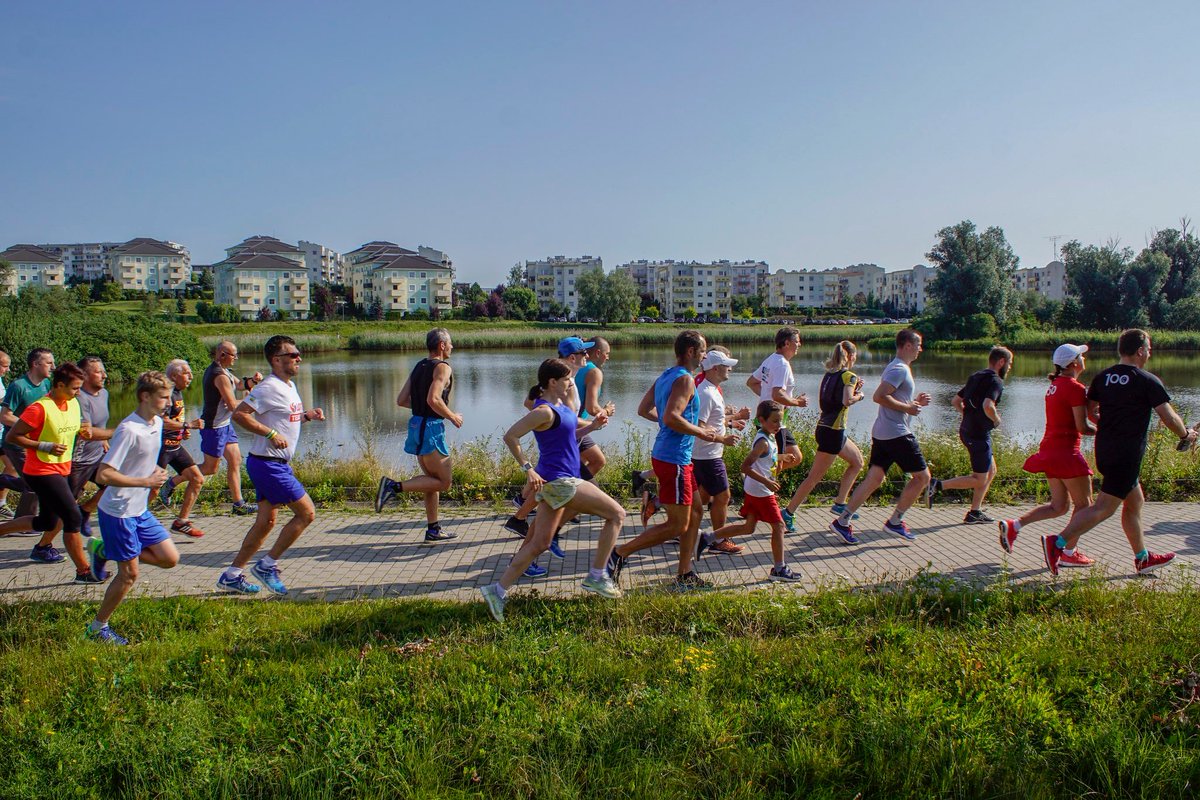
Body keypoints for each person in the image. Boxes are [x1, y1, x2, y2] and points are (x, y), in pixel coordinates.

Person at [480, 359, 624, 622]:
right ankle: (597, 576)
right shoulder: (544, 411)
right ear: (552, 382)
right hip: (561, 482)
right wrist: (528, 469)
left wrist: (593, 426)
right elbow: (510, 436)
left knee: (540, 543)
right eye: (567, 379)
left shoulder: (562, 408)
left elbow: (569, 439)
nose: (571, 382)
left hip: (561, 482)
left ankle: (496, 591)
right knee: (617, 514)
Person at [1041, 329, 1194, 576]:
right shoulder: (1146, 380)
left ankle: (1142, 558)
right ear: (1141, 351)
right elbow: (1168, 416)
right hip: (1126, 454)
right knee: (1104, 508)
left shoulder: (1103, 377)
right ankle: (1057, 544)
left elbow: (1091, 411)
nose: (1150, 354)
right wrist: (1186, 435)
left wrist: (1110, 424)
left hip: (1105, 449)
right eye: (1149, 350)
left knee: (1135, 502)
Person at [607, 330, 735, 591]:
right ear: (690, 352)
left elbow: (645, 410)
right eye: (702, 352)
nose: (703, 357)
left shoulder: (666, 375)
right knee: (677, 524)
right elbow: (671, 417)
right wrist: (702, 432)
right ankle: (618, 554)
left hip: (673, 455)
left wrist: (669, 424)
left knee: (697, 512)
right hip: (674, 458)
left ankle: (685, 574)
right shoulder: (686, 380)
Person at [216, 335, 326, 596]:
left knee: (265, 522)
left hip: (271, 463)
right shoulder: (268, 387)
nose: (299, 358)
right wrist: (269, 434)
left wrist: (307, 416)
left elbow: (286, 417)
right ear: (276, 360)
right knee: (306, 513)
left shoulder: (288, 386)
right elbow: (239, 414)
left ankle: (232, 575)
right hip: (268, 465)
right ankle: (268, 565)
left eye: (298, 354)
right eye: (293, 355)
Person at [84, 371, 180, 645]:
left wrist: (156, 474)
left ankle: (102, 550)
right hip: (118, 511)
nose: (167, 402)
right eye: (163, 397)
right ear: (145, 396)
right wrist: (145, 480)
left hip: (139, 509)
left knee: (169, 558)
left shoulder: (157, 423)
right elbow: (104, 474)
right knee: (129, 574)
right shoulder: (129, 429)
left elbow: (144, 459)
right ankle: (97, 629)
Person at [830, 329, 933, 543]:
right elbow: (879, 396)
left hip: (883, 433)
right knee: (923, 477)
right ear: (906, 345)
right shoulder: (899, 369)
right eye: (918, 345)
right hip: (896, 433)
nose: (920, 349)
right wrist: (908, 408)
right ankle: (895, 521)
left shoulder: (898, 367)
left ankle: (842, 521)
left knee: (874, 479)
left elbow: (893, 398)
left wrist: (914, 403)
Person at [997, 344, 1096, 566]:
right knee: (1086, 506)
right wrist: (1105, 430)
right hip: (1067, 453)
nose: (1084, 359)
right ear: (1073, 363)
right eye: (1081, 356)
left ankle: (1015, 525)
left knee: (1059, 506)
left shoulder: (1054, 386)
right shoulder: (1075, 387)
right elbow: (1082, 426)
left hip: (1050, 450)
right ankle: (1068, 552)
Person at [0, 362, 100, 580]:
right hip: (40, 471)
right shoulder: (39, 408)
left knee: (46, 522)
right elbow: (12, 437)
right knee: (73, 517)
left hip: (62, 467)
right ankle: (84, 571)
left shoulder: (72, 404)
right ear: (59, 385)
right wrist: (44, 446)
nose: (78, 392)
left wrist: (83, 433)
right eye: (74, 388)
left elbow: (69, 429)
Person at [503, 336, 601, 550]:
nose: (588, 355)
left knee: (550, 505)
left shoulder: (565, 384)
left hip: (564, 457)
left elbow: (568, 419)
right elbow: (514, 433)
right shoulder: (556, 392)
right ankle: (535, 530)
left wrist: (593, 425)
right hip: (560, 460)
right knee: (609, 509)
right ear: (572, 357)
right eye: (584, 352)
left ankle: (525, 527)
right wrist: (545, 427)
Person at [698, 401, 801, 581]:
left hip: (755, 491)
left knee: (748, 527)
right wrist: (767, 482)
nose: (778, 425)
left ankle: (708, 538)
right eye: (775, 421)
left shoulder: (767, 436)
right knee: (779, 526)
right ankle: (779, 569)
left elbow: (766, 456)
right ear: (762, 420)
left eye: (781, 420)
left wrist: (782, 457)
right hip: (761, 491)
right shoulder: (762, 441)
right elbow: (745, 467)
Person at [374, 328, 461, 542]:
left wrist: (424, 408)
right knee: (444, 482)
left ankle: (433, 529)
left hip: (417, 426)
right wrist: (452, 416)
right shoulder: (442, 368)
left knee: (430, 481)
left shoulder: (419, 366)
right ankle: (393, 486)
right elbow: (434, 399)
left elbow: (402, 400)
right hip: (431, 428)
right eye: (450, 344)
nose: (452, 347)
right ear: (441, 345)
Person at [781, 340, 866, 535]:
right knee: (814, 477)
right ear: (851, 357)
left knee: (857, 461)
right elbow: (846, 400)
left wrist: (854, 387)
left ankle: (840, 503)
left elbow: (830, 398)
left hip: (827, 428)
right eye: (856, 356)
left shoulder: (830, 375)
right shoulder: (849, 376)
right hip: (833, 432)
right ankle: (788, 511)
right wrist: (860, 395)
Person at [927, 346, 1014, 524]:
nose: (1010, 367)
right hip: (978, 435)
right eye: (1010, 364)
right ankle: (937, 485)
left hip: (968, 430)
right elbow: (988, 405)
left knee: (991, 471)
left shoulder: (976, 376)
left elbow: (956, 401)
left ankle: (974, 512)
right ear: (1001, 362)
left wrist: (967, 416)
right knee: (979, 478)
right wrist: (996, 420)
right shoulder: (996, 381)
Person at [690, 346, 749, 554]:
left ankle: (684, 532)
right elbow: (699, 426)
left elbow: (714, 421)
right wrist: (723, 439)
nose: (729, 370)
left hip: (706, 454)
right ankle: (718, 540)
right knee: (723, 497)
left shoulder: (711, 389)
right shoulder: (705, 393)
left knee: (701, 497)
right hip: (707, 456)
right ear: (715, 369)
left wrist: (733, 420)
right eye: (726, 366)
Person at [199, 341, 259, 516]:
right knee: (210, 468)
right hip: (214, 427)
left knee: (235, 460)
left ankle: (238, 503)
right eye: (234, 355)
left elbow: (240, 385)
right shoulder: (219, 375)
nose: (236, 358)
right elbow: (233, 406)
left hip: (225, 425)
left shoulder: (225, 372)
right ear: (222, 354)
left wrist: (253, 381)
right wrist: (254, 402)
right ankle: (172, 482)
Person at [0, 348, 55, 520]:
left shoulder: (46, 385)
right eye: (49, 363)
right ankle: (25, 522)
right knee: (35, 482)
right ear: (35, 364)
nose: (53, 367)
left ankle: (25, 521)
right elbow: (4, 416)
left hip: (34, 442)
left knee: (36, 481)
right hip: (15, 442)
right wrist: (30, 425)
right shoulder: (18, 386)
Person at [157, 359, 207, 538]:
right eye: (187, 373)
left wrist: (182, 430)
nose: (191, 377)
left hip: (175, 447)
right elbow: (160, 421)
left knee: (197, 479)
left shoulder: (177, 393)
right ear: (174, 375)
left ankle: (181, 522)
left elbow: (174, 421)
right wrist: (187, 425)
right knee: (151, 488)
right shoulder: (166, 393)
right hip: (160, 449)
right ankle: (131, 523)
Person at [746, 326, 807, 472]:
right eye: (797, 341)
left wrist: (765, 397)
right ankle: (760, 483)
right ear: (786, 343)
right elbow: (777, 394)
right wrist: (797, 402)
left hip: (774, 417)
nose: (799, 344)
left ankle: (759, 478)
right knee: (778, 460)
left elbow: (752, 383)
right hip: (774, 419)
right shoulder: (782, 364)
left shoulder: (771, 359)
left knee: (795, 457)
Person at [70, 357, 115, 539]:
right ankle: (43, 545)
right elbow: (86, 432)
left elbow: (100, 424)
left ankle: (86, 510)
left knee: (115, 483)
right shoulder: (79, 398)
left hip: (97, 455)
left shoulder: (103, 393)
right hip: (77, 460)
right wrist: (119, 432)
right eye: (98, 372)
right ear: (85, 376)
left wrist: (104, 439)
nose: (104, 375)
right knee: (66, 509)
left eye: (103, 371)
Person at [0, 349, 16, 518]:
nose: (7, 370)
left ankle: (1, 503)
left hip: (1, 433)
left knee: (12, 465)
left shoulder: (1, 381)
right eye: (5, 366)